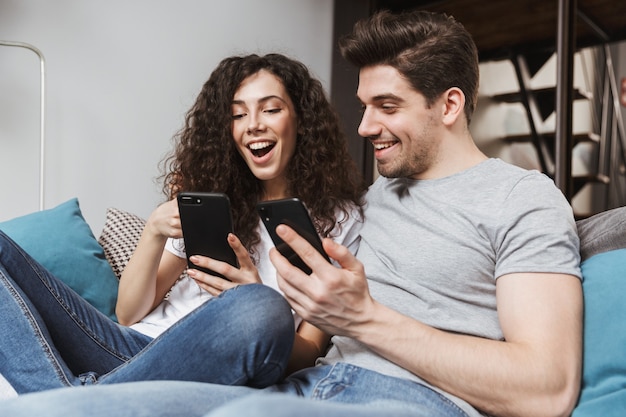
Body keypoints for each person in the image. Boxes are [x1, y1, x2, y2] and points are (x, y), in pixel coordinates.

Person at [0, 9, 583, 417]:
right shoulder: (374, 203)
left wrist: (358, 318)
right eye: (362, 106)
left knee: (255, 309)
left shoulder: (522, 199)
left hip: (403, 401)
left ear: (449, 104)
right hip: (300, 389)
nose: (364, 127)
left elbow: (547, 390)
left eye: (386, 106)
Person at [0, 53, 364, 394]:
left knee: (261, 307)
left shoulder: (339, 219)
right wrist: (155, 231)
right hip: (131, 347)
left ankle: (70, 401)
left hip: (216, 357)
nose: (253, 125)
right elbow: (129, 315)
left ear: (300, 120)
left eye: (270, 109)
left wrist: (253, 294)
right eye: (238, 115)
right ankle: (64, 399)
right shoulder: (213, 200)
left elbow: (308, 352)